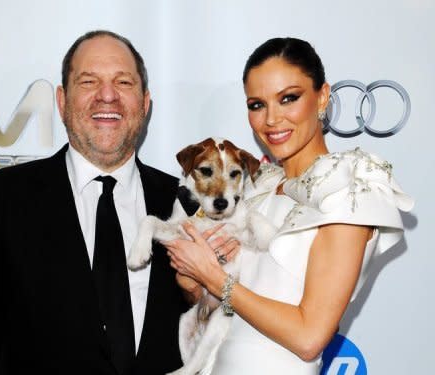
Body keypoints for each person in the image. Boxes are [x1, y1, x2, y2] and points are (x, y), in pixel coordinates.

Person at [165, 37, 414, 374]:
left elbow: (309, 337)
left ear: (322, 96)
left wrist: (212, 277)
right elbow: (229, 312)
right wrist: (193, 282)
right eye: (257, 104)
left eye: (288, 98)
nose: (271, 119)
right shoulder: (257, 189)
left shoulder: (347, 189)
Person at [0, 30, 188, 375]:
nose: (108, 96)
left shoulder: (186, 203)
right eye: (89, 81)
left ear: (145, 103)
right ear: (61, 101)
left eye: (124, 82)